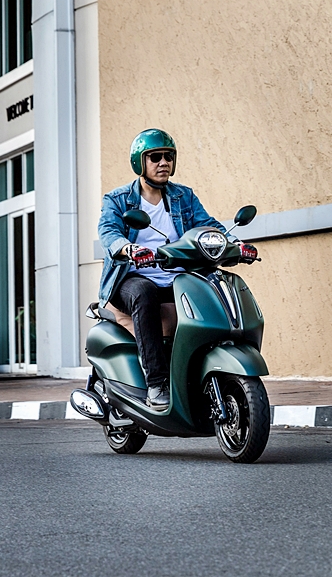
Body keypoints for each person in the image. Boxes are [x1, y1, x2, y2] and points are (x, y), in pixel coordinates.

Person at [98, 128, 257, 409]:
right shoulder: (118, 199)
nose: (163, 163)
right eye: (155, 157)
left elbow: (208, 226)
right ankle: (157, 382)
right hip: (131, 279)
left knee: (212, 289)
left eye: (168, 157)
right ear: (140, 162)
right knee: (144, 292)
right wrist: (129, 249)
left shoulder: (183, 196)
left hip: (176, 278)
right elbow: (109, 232)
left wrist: (234, 243)